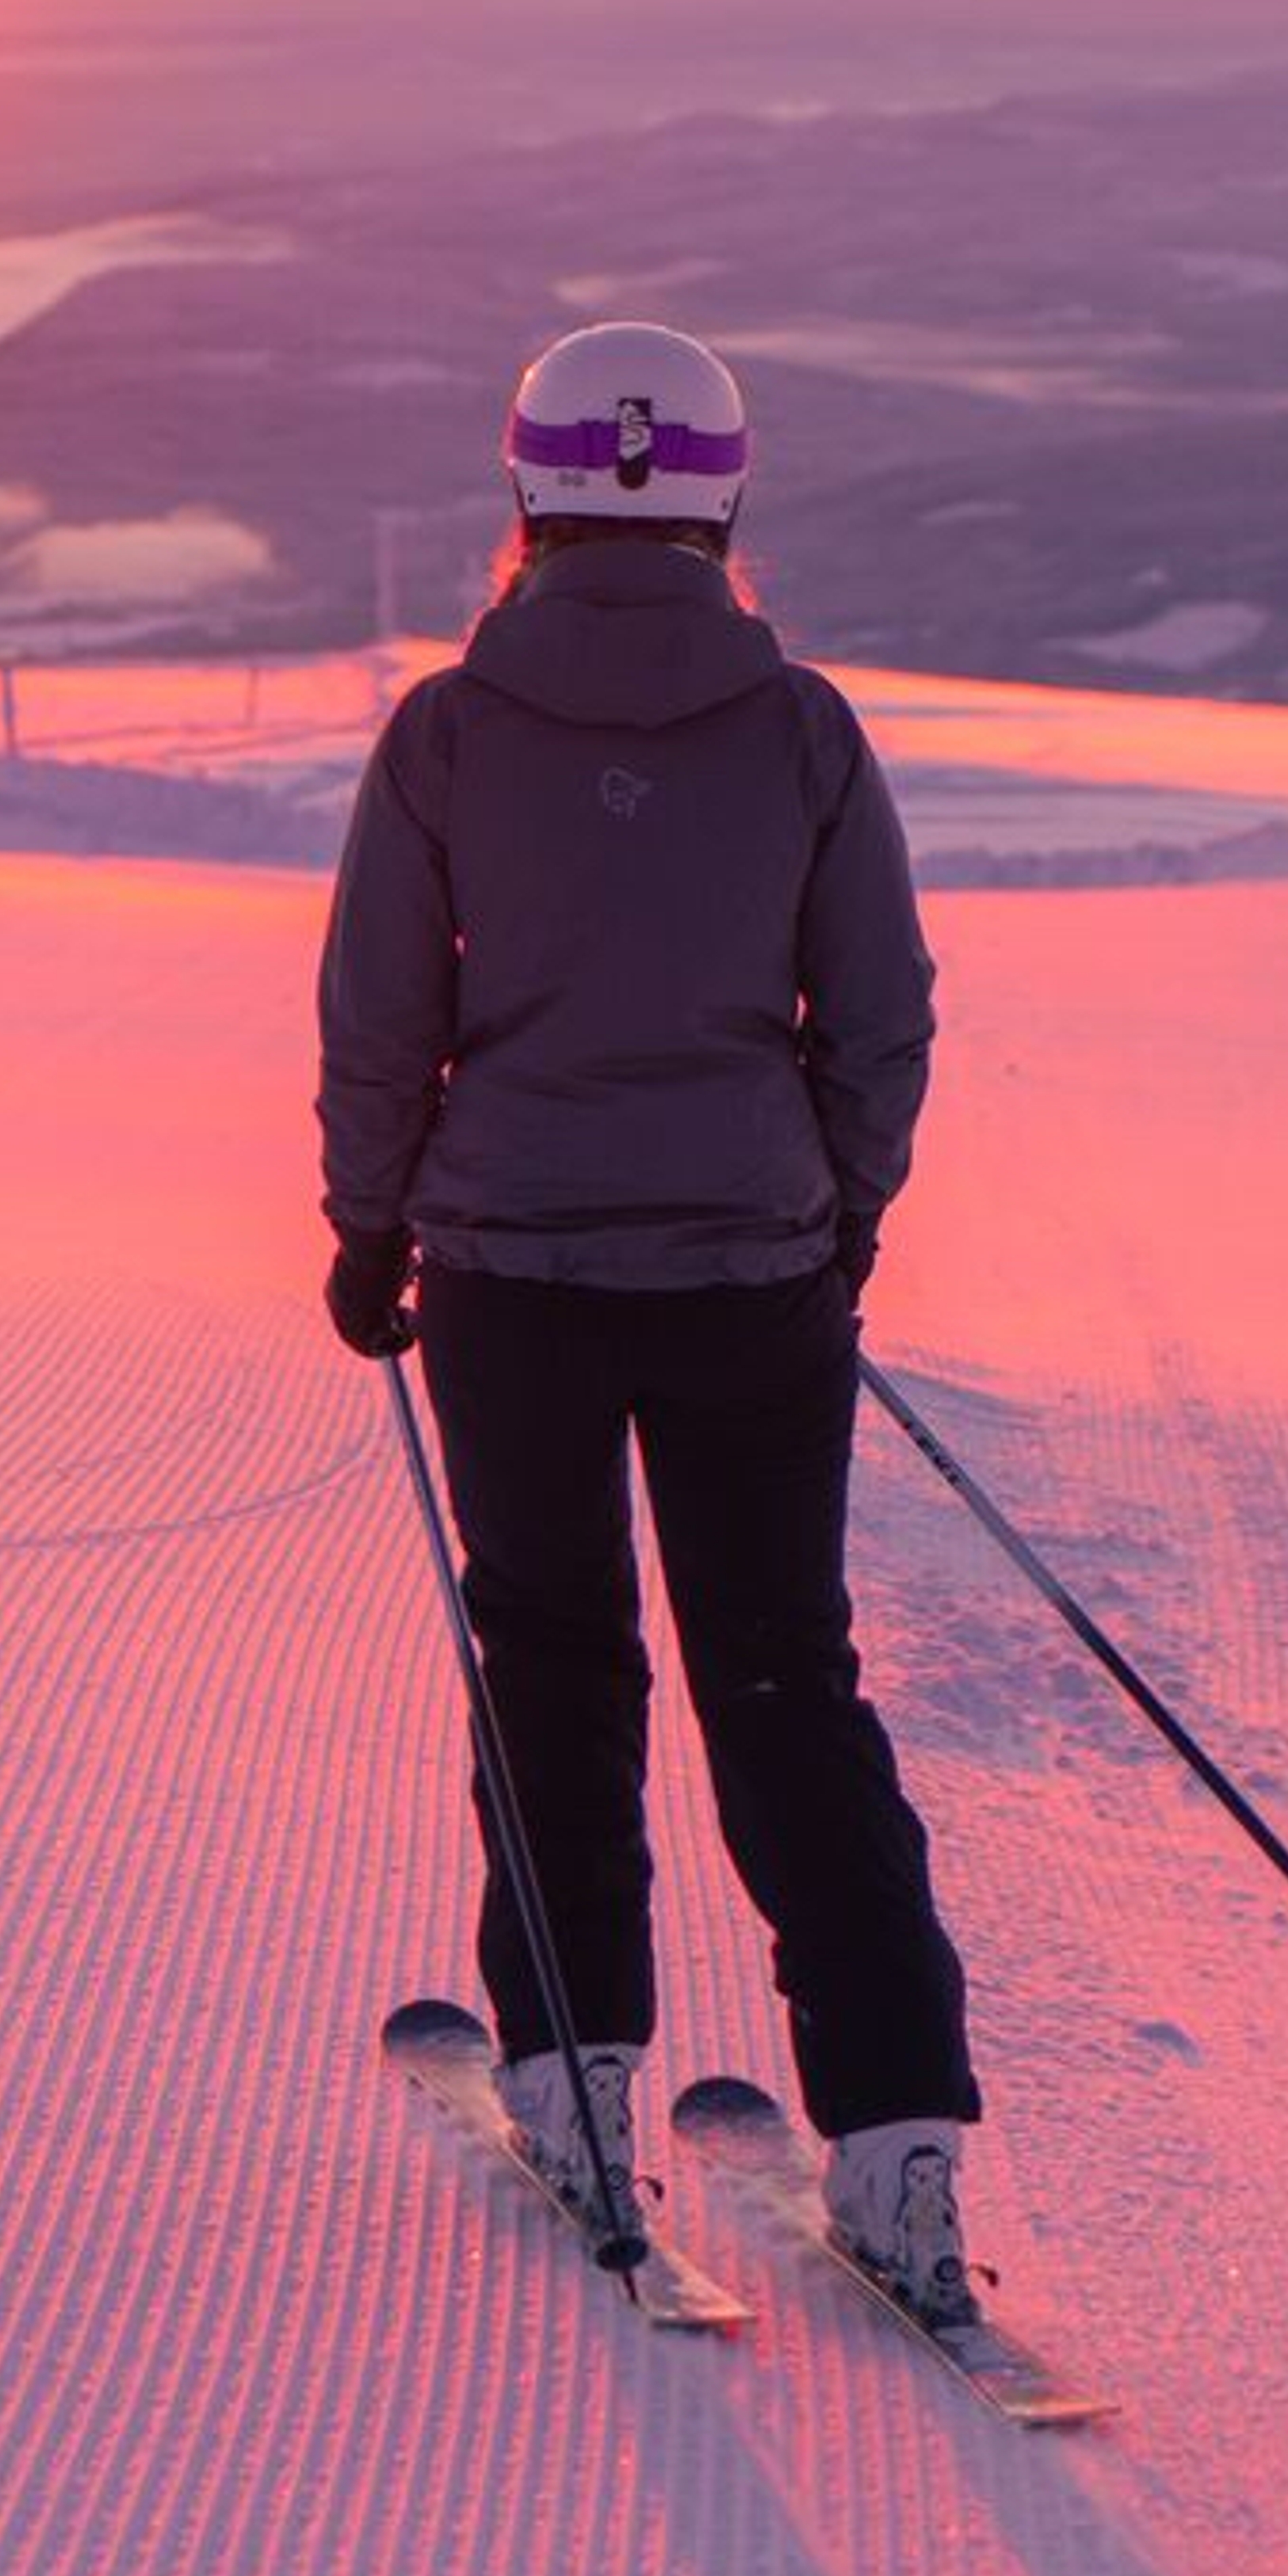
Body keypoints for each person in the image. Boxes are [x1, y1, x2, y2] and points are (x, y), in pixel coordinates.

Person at [317, 322, 980, 2323]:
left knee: (551, 1665)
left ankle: (577, 2080)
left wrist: (369, 1231)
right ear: (720, 501)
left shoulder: (445, 726)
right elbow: (876, 1014)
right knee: (783, 1681)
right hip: (747, 1274)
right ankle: (896, 2148)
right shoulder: (800, 728)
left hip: (507, 1274)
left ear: (522, 496)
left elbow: (376, 1018)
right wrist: (838, 1211)